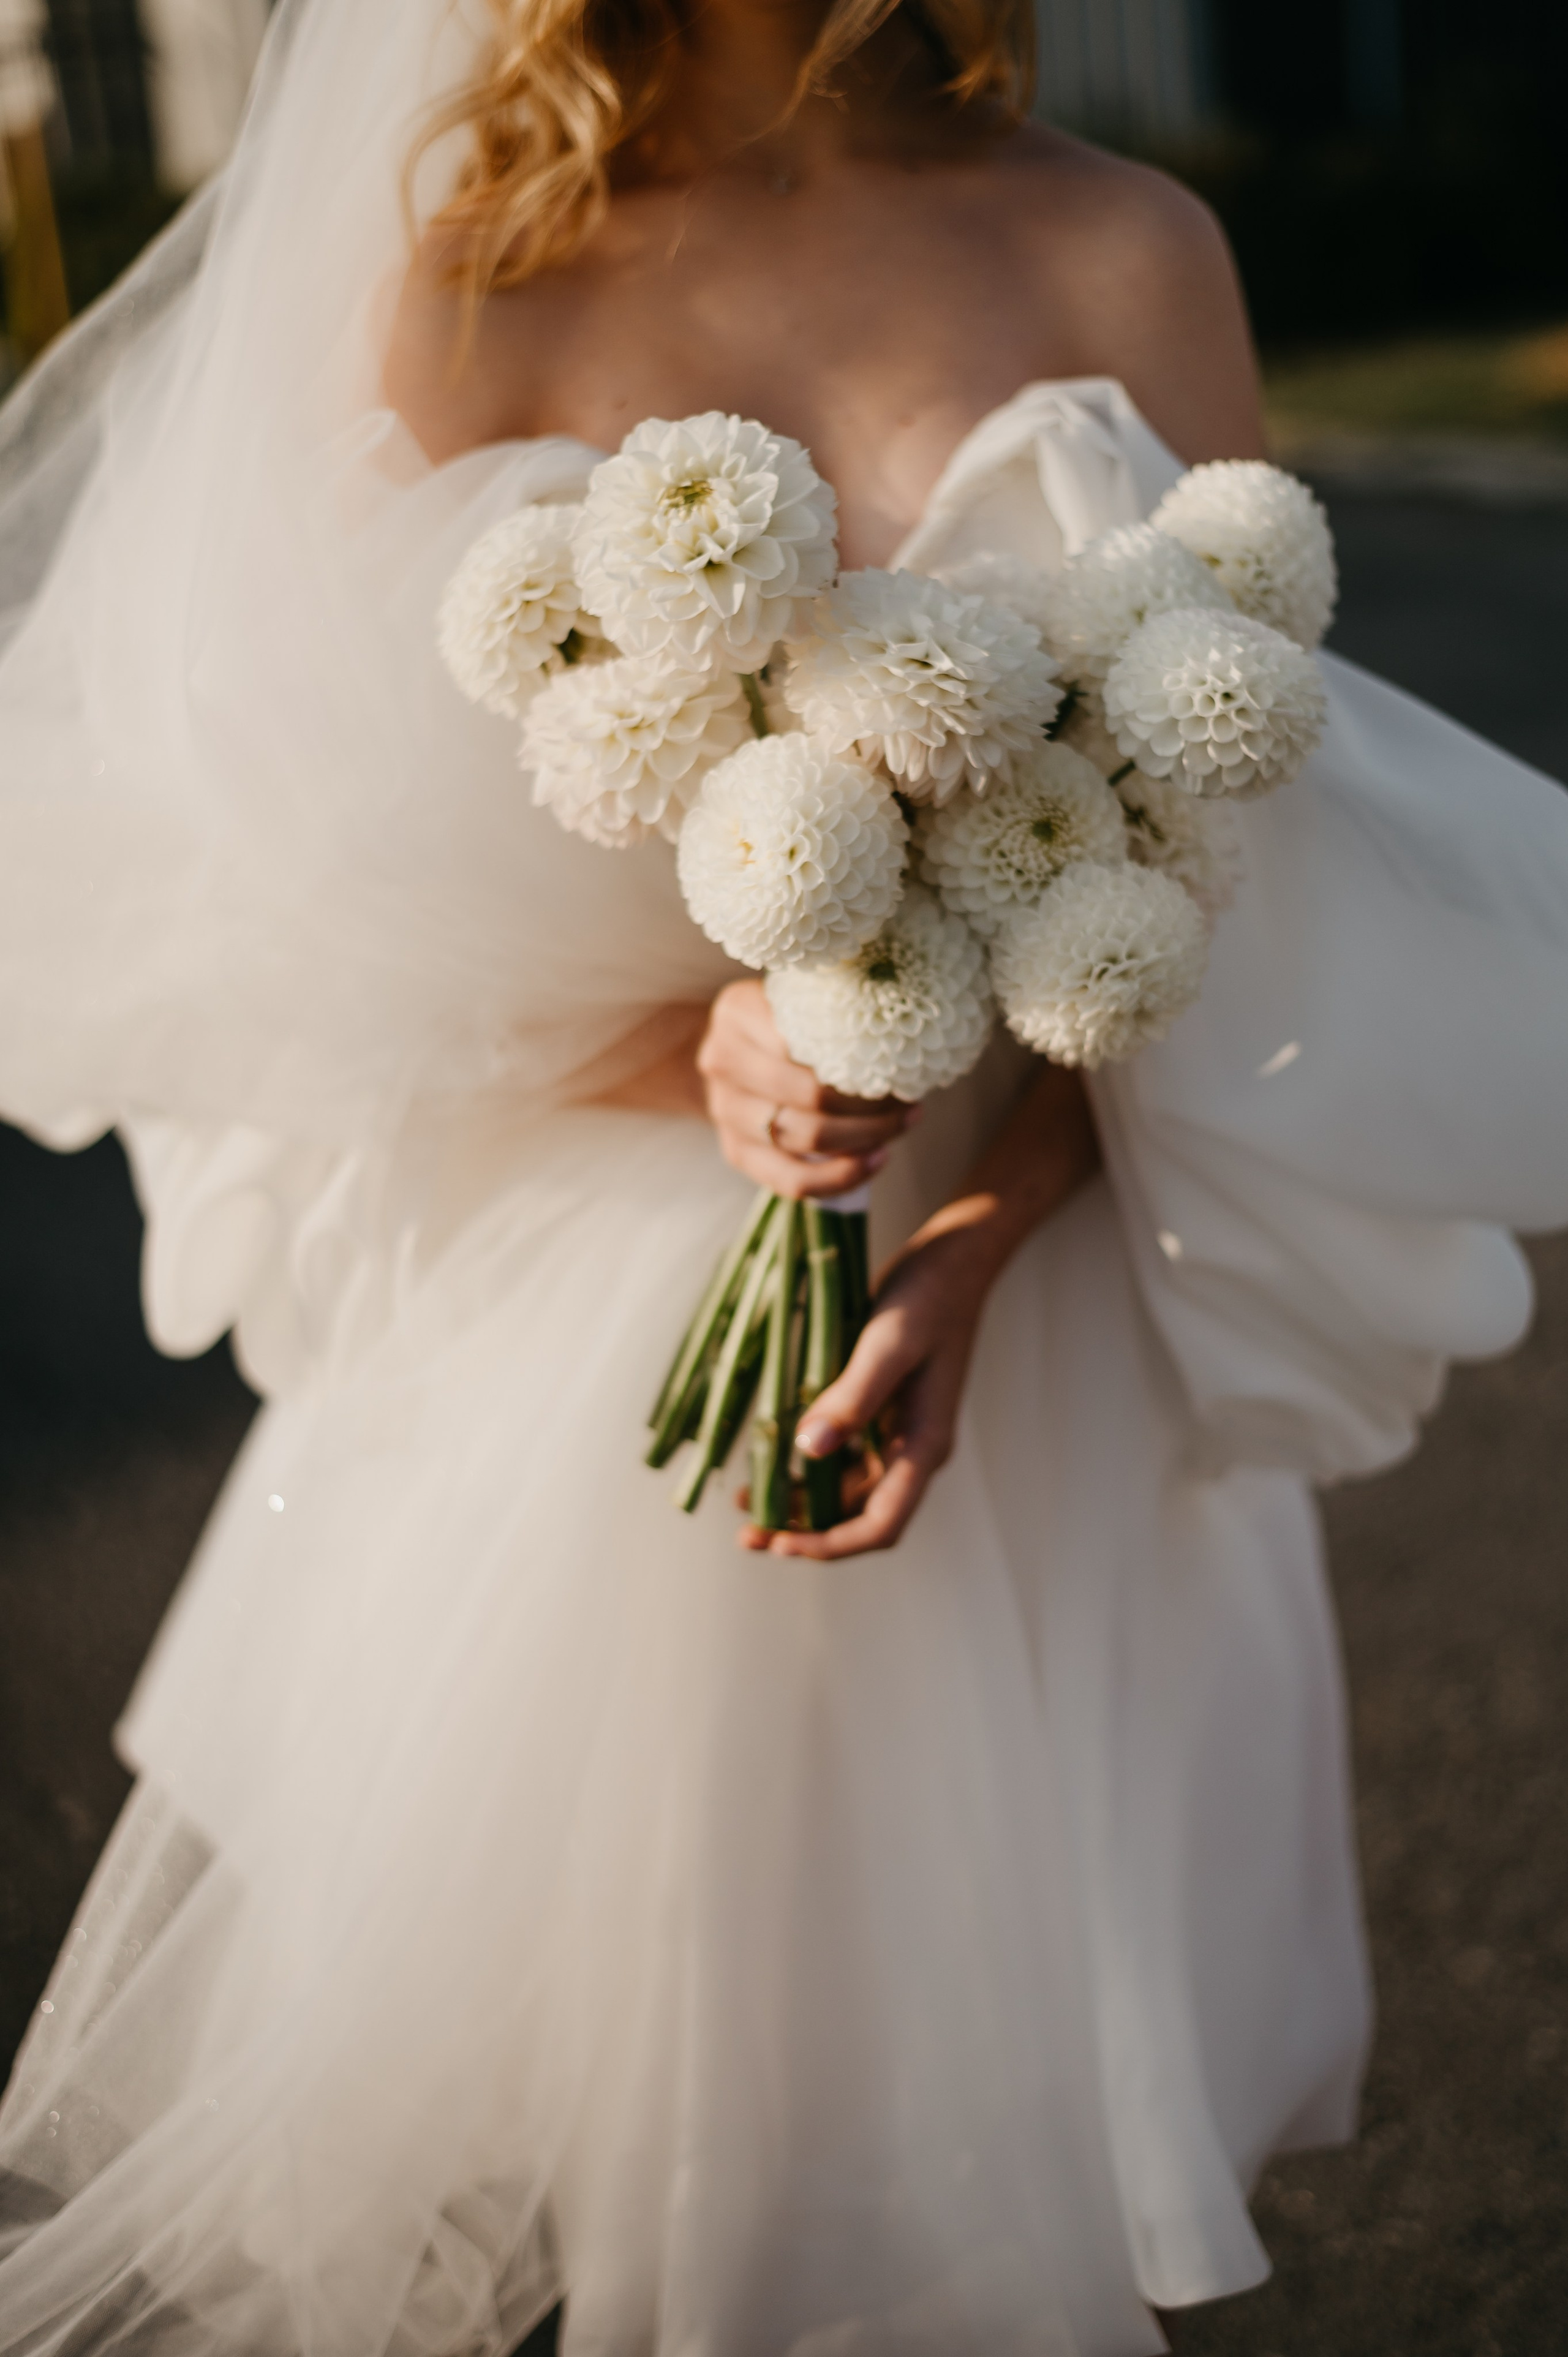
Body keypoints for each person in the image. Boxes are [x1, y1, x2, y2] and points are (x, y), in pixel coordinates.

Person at [0, 0, 1565, 2348]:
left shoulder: (1133, 251)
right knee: (609, 2146)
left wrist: (980, 1224)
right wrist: (701, 1035)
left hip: (1035, 1348)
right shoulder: (464, 280)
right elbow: (310, 890)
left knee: (977, 2141)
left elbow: (1227, 864)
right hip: (588, 1369)